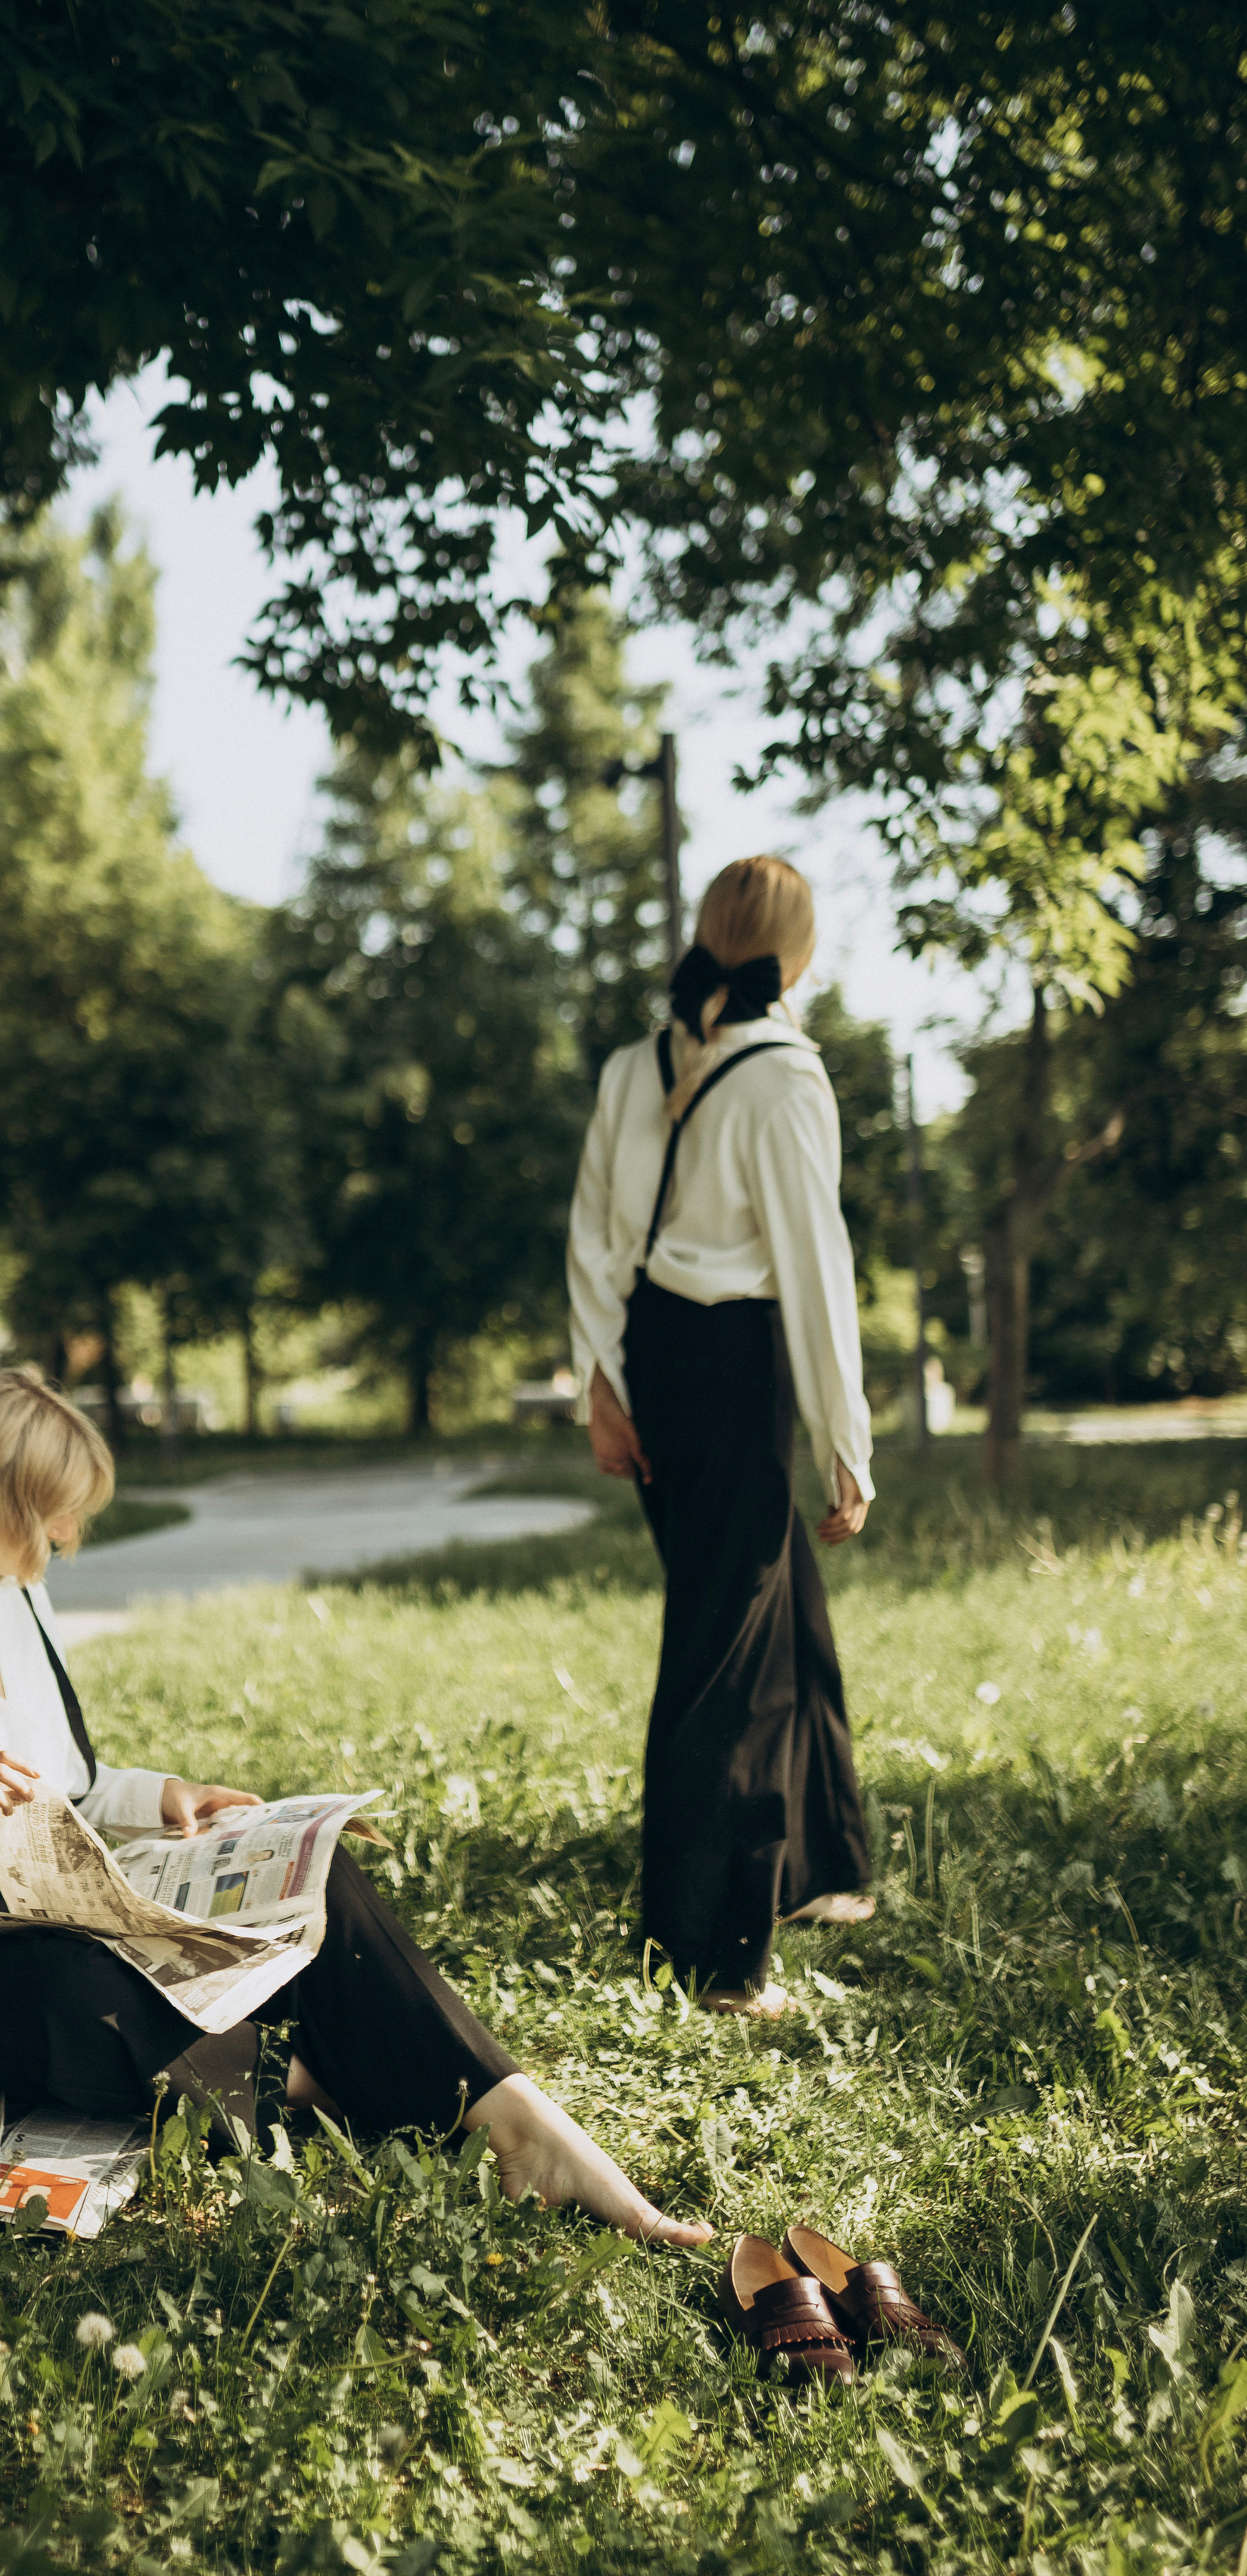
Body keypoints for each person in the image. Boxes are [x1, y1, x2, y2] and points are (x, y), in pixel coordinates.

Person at [0, 1366, 711, 2245]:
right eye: (56, 1518)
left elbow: (73, 1785)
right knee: (80, 1999)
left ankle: (523, 2124)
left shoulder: (17, 1596)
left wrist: (167, 1797)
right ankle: (337, 2082)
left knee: (322, 1875)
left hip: (39, 1895)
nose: (67, 1541)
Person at [566, 856, 875, 2016]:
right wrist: (849, 1438)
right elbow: (816, 1270)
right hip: (737, 1362)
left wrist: (603, 1378)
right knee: (722, 1658)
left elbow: (596, 1240)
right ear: (797, 958)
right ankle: (708, 1956)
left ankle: (820, 1862)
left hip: (653, 1356)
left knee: (777, 1593)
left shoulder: (632, 1067)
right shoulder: (786, 1078)